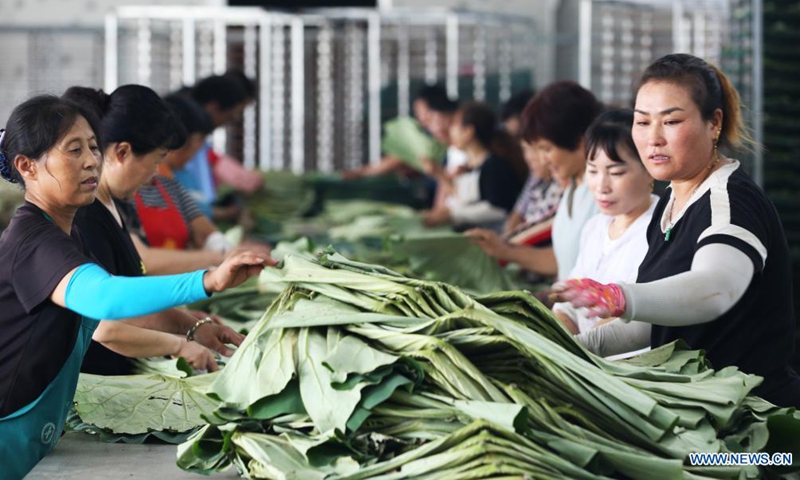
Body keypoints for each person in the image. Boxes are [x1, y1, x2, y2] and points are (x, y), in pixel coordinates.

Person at [0, 95, 271, 477]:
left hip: (29, 432)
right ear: (27, 167)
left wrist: (189, 325)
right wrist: (207, 280)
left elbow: (116, 298)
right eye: (73, 150)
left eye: (94, 147)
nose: (92, 160)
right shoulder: (34, 242)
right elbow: (106, 298)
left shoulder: (66, 232)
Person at [553, 54, 800, 407]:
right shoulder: (670, 203)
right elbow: (662, 321)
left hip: (751, 421)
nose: (653, 139)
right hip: (697, 406)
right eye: (642, 122)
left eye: (671, 121)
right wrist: (573, 349)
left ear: (714, 123)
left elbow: (715, 288)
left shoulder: (730, 203)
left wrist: (621, 297)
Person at [63, 85, 244, 375]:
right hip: (87, 380)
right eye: (157, 160)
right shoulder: (84, 219)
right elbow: (106, 326)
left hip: (119, 370)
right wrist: (179, 343)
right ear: (122, 152)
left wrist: (191, 325)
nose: (157, 172)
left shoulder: (118, 205)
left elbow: (130, 301)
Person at [467, 81, 603, 281]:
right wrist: (504, 250)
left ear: (580, 142)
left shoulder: (602, 198)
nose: (541, 159)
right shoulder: (574, 186)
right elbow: (561, 259)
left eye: (547, 149)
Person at [550, 109, 656, 351]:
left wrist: (576, 351)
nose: (601, 186)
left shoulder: (659, 231)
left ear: (650, 169)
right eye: (593, 170)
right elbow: (569, 301)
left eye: (616, 172)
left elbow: (637, 322)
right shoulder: (594, 227)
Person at [423, 101, 525, 231]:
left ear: (469, 131)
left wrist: (452, 214)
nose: (450, 130)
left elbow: (497, 209)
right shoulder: (467, 167)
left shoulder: (494, 166)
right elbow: (463, 198)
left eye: (455, 124)